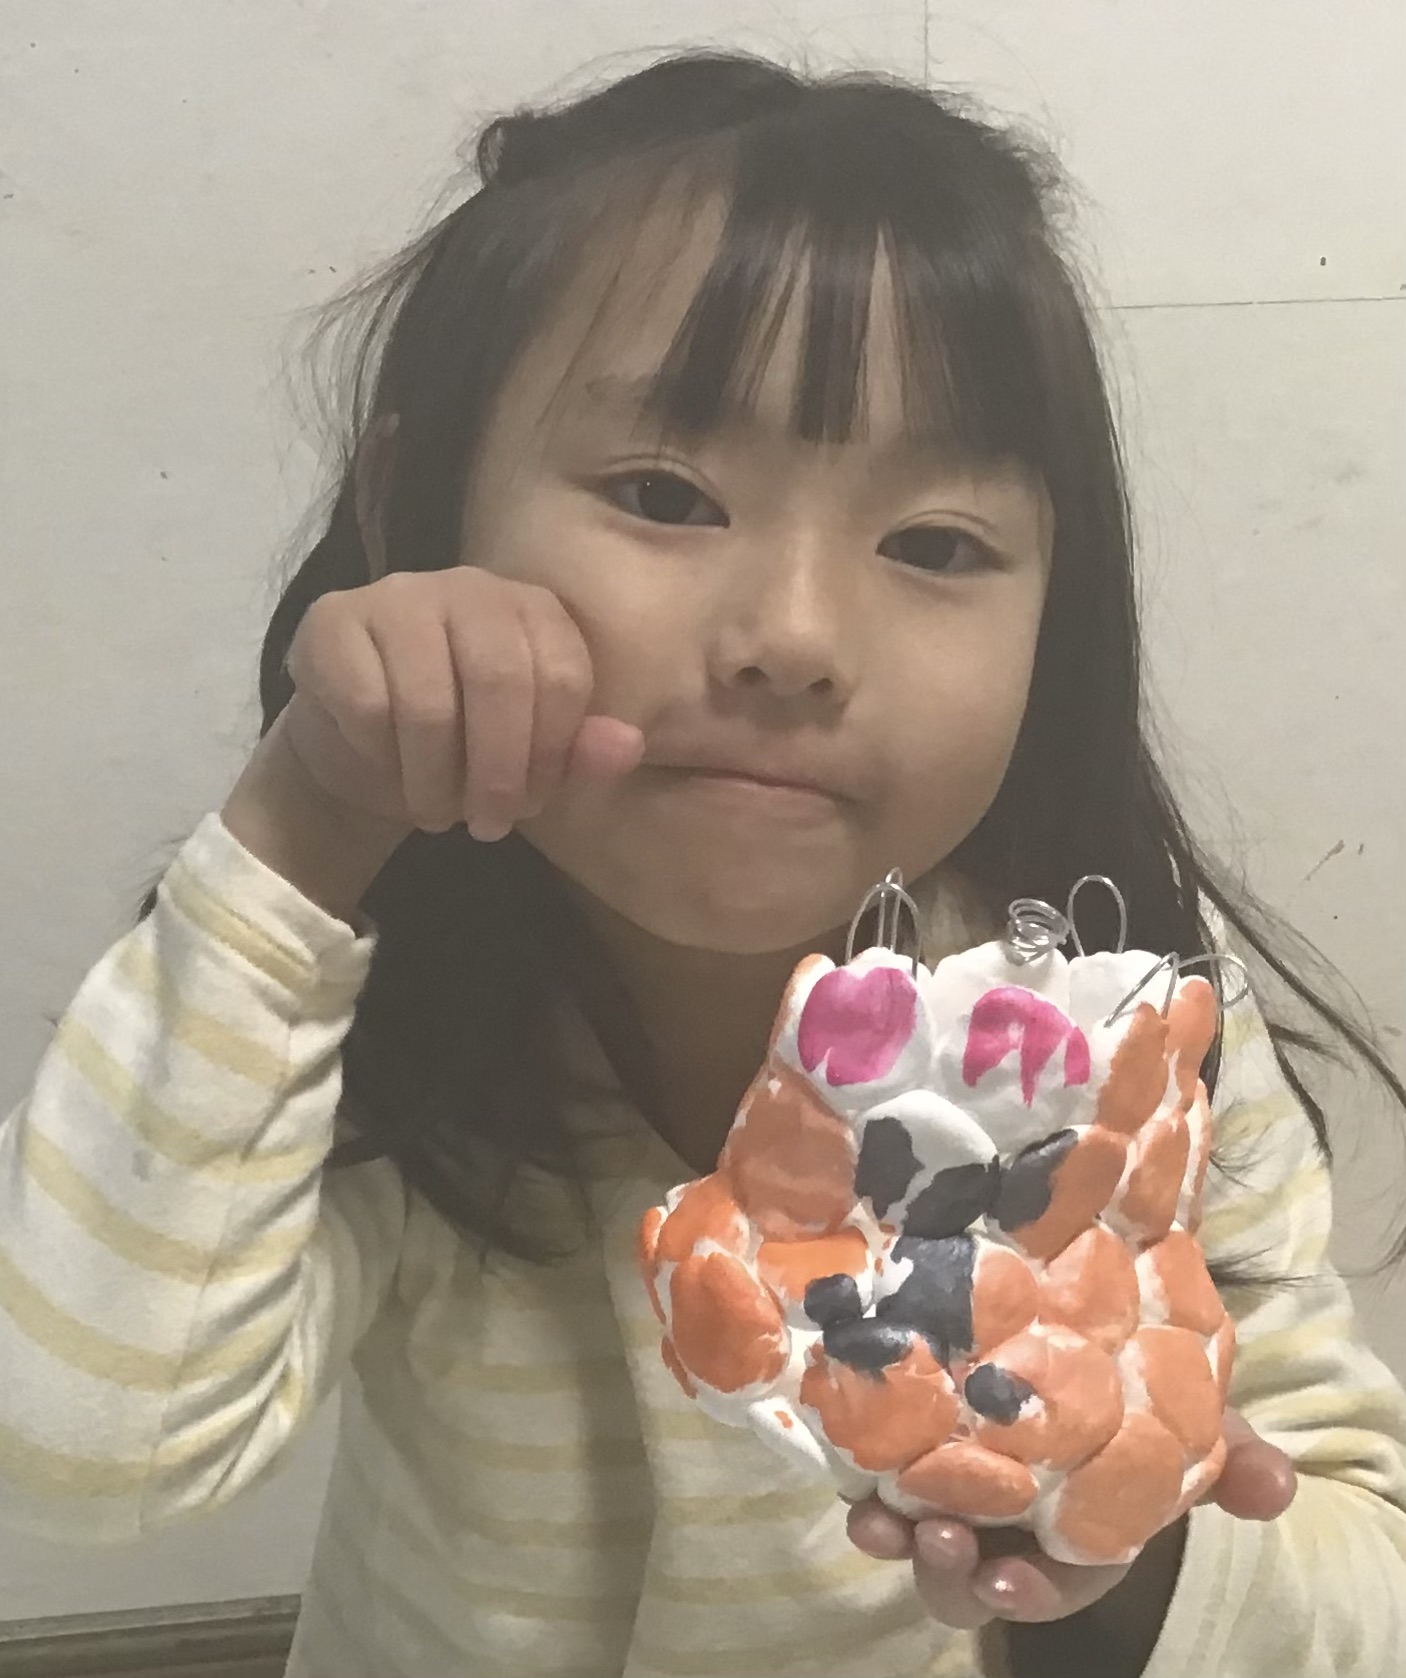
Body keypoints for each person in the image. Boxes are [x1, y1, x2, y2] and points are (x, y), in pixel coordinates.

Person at [0, 49, 1402, 1678]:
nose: (793, 635)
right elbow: (80, 1448)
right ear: (413, 511)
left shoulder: (1109, 1023)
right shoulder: (400, 977)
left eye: (933, 543)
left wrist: (1122, 1532)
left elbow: (1363, 1583)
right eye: (664, 495)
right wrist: (310, 819)